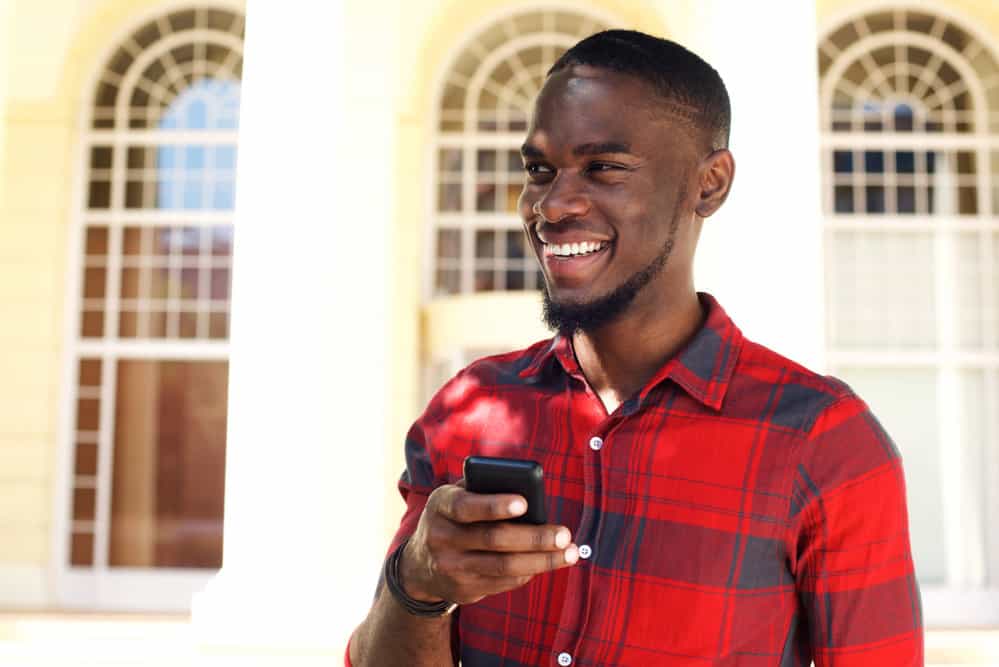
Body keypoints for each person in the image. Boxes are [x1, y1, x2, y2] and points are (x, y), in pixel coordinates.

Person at [347, 30, 923, 666]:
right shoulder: (468, 409)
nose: (553, 204)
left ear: (709, 184)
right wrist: (418, 588)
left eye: (604, 168)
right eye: (539, 170)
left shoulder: (829, 444)